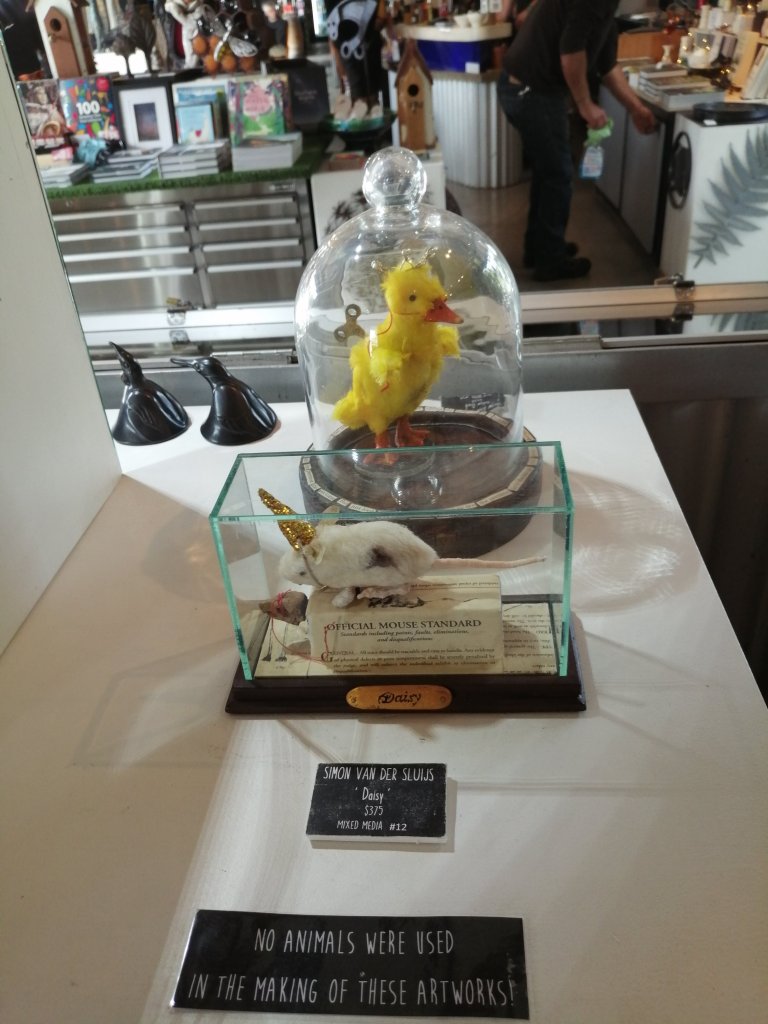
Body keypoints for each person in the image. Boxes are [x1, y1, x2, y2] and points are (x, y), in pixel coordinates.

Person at [497, 0, 656, 282]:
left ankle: (541, 247)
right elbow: (570, 54)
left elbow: (608, 66)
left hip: (528, 89)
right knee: (557, 174)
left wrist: (636, 108)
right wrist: (585, 105)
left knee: (549, 172)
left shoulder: (606, 6)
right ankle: (550, 259)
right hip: (531, 92)